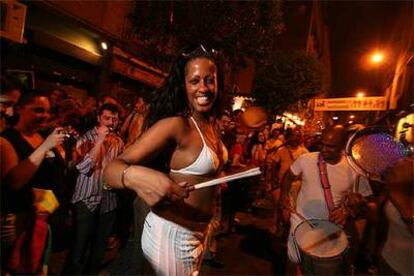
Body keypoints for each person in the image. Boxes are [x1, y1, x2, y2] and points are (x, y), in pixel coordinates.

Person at [104, 44, 227, 275]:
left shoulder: (212, 126)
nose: (204, 87)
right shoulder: (176, 125)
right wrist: (139, 177)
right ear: (184, 86)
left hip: (201, 233)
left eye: (210, 80)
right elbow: (111, 170)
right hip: (173, 233)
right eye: (195, 81)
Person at [281, 125, 373, 274]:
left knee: (317, 269)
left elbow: (367, 200)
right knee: (293, 260)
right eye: (322, 144)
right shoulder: (306, 160)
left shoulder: (354, 169)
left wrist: (347, 212)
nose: (324, 149)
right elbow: (288, 177)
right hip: (300, 223)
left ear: (343, 146)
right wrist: (283, 198)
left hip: (329, 230)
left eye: (330, 146)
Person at [0, 93, 67, 273]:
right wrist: (45, 147)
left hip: (43, 217)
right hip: (19, 219)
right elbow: (14, 181)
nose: (45, 115)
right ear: (20, 109)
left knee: (34, 265)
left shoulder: (42, 135)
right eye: (38, 110)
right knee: (13, 266)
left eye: (47, 111)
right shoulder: (7, 139)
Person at [67, 103, 124, 274]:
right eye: (107, 118)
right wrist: (99, 141)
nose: (111, 123)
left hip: (108, 200)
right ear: (98, 118)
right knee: (79, 246)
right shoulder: (85, 138)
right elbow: (83, 168)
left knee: (99, 247)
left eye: (114, 119)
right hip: (86, 198)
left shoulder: (119, 142)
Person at [380, 156, 413, 275]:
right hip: (387, 260)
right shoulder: (405, 179)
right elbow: (381, 222)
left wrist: (401, 201)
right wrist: (363, 207)